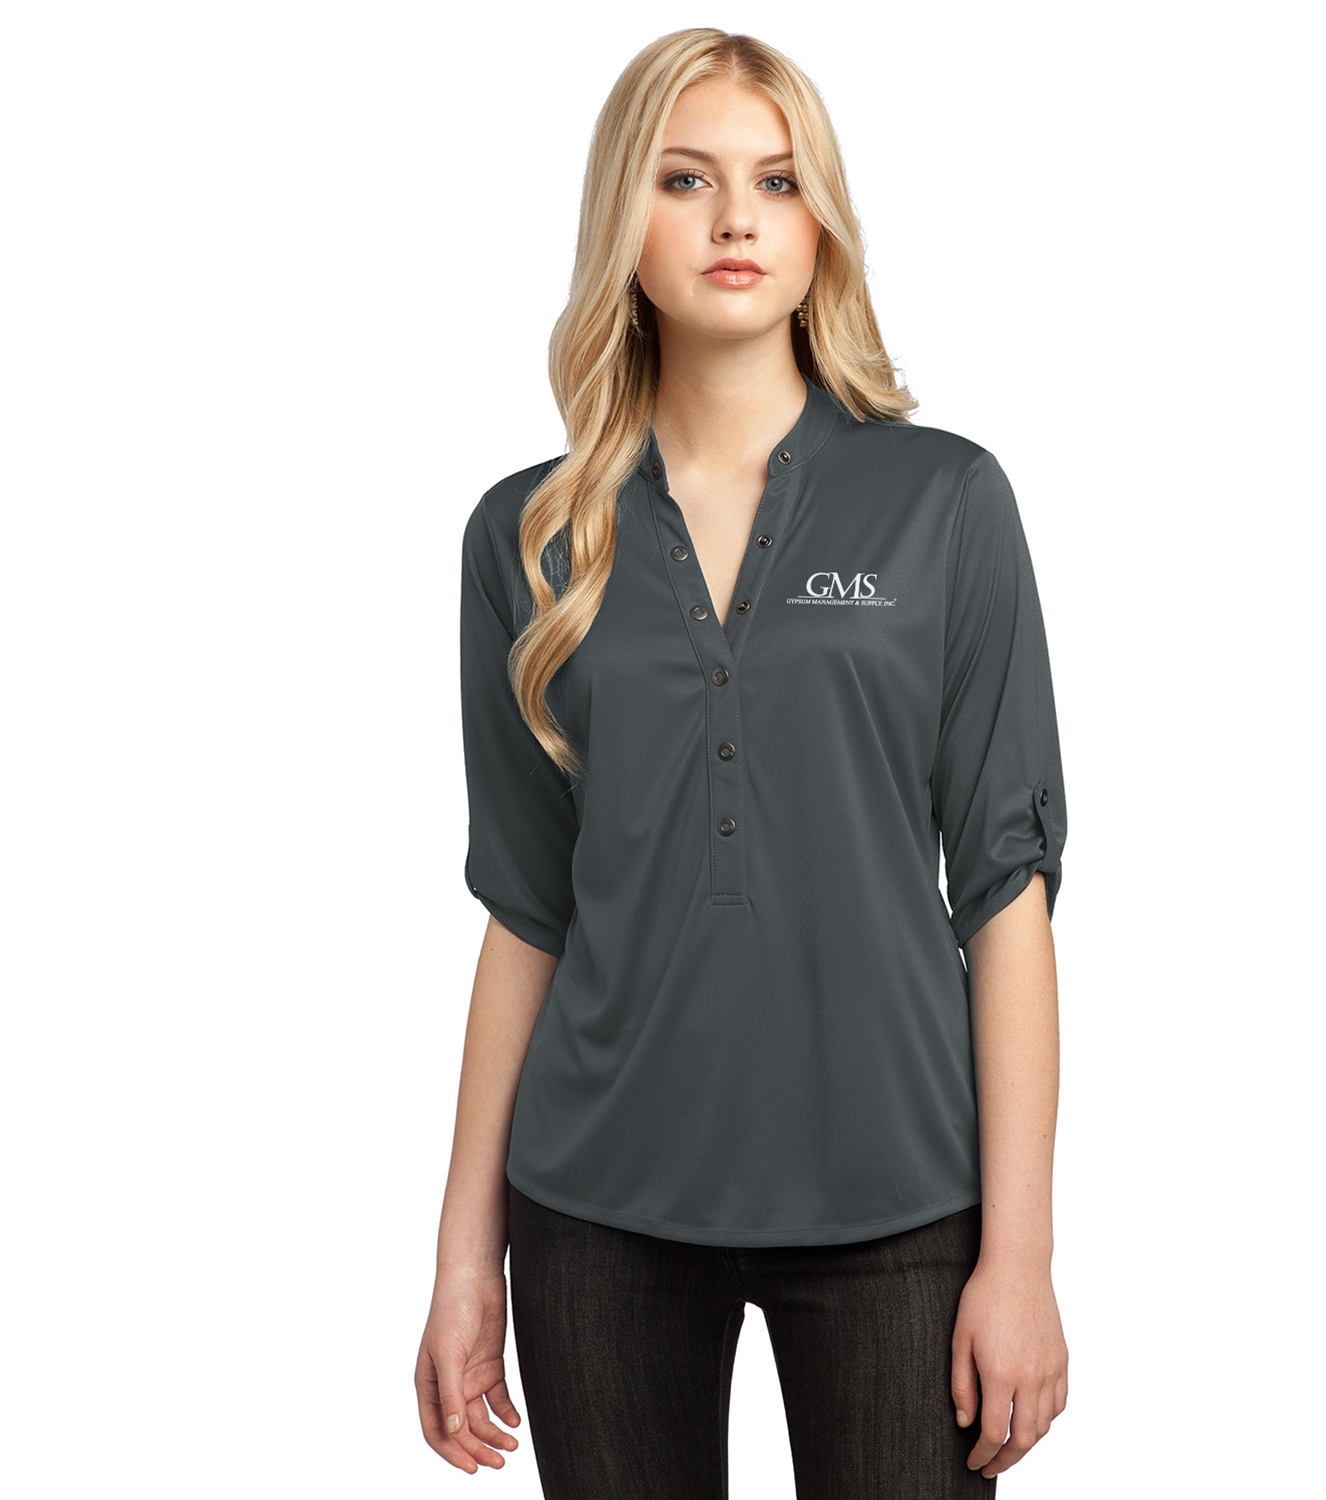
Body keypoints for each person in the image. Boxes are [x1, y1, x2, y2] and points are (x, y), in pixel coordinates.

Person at [416, 27, 1070, 1499]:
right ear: (622, 219)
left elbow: (1008, 894)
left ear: (820, 220)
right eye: (685, 178)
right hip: (597, 1211)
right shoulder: (527, 537)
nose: (735, 219)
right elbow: (525, 909)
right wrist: (464, 1259)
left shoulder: (947, 502)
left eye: (777, 181)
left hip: (902, 1200)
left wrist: (1020, 1255)